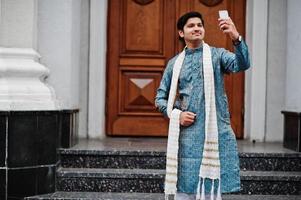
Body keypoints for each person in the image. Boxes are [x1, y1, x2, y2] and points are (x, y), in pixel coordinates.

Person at [155, 11, 250, 200]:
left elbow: (242, 64)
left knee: (212, 192)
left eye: (200, 25)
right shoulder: (174, 64)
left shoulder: (217, 55)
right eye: (191, 26)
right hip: (187, 137)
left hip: (216, 132)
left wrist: (235, 36)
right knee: (185, 190)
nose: (197, 28)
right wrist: (177, 115)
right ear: (181, 33)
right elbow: (160, 98)